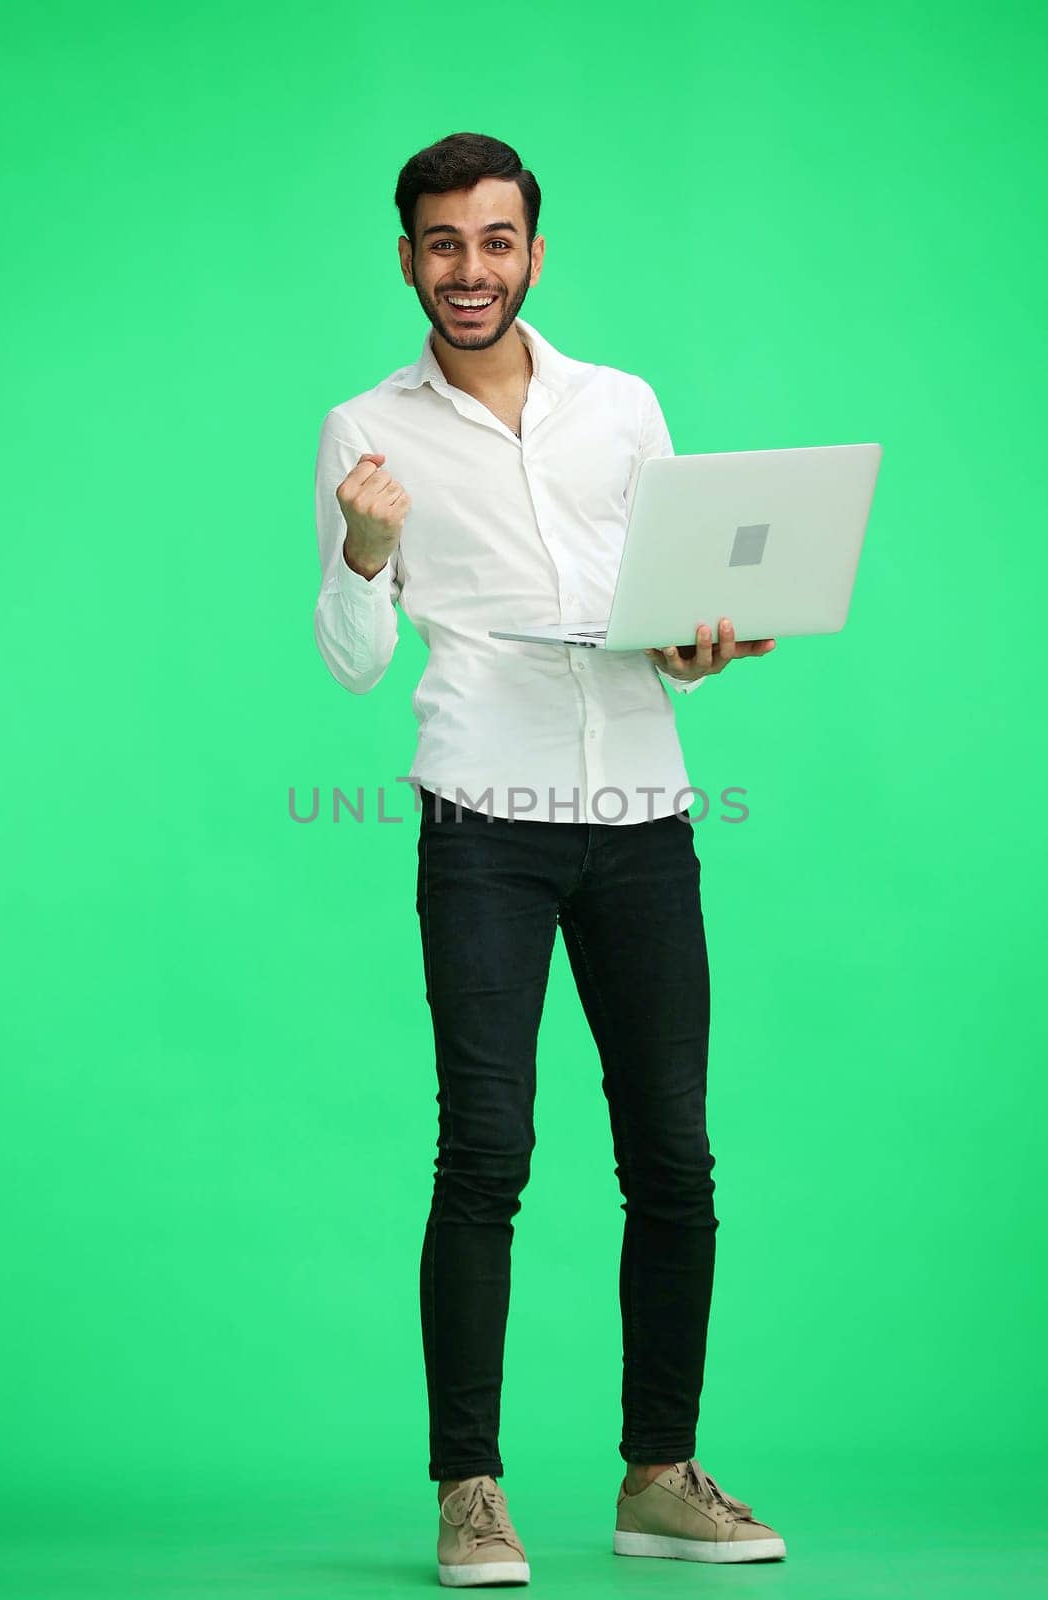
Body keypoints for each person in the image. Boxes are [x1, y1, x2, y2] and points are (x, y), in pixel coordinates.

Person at [313, 130, 786, 1587]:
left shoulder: (621, 407)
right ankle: (470, 1490)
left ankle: (660, 1474)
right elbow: (350, 661)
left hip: (642, 813)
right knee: (487, 1153)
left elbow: (666, 619)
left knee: (675, 1157)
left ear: (534, 251)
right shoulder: (363, 431)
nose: (472, 269)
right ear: (407, 259)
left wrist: (707, 648)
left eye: (497, 240)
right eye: (443, 243)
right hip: (484, 825)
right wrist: (367, 548)